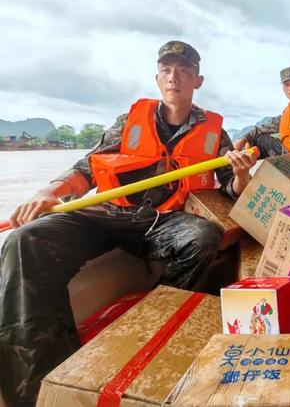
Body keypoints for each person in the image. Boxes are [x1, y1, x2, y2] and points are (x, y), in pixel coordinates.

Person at [0, 41, 256, 407]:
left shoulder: (215, 132)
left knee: (204, 236)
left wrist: (242, 176)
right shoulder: (129, 120)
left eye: (184, 71)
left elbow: (230, 190)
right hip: (109, 214)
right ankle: (41, 387)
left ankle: (149, 326)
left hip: (164, 220)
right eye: (167, 70)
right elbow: (87, 167)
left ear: (197, 81)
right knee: (26, 240)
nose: (174, 77)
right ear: (157, 78)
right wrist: (48, 191)